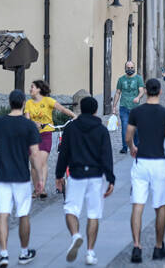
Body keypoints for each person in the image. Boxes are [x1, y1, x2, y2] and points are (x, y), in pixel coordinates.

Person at [55, 97, 115, 265]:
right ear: (96, 110)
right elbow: (107, 156)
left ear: (80, 109)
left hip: (76, 174)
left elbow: (64, 154)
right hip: (96, 176)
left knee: (70, 209)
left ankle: (75, 235)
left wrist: (59, 175)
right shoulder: (101, 130)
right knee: (94, 214)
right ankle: (90, 252)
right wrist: (110, 178)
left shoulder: (71, 128)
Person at [0, 90, 41, 267]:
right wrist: (39, 178)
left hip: (2, 174)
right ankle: (24, 253)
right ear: (24, 103)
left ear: (9, 103)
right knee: (23, 213)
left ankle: (3, 254)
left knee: (2, 213)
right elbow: (34, 154)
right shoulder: (29, 125)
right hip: (22, 176)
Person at [126, 78, 165, 263]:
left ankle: (137, 247)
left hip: (141, 162)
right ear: (160, 92)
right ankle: (158, 246)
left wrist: (132, 147)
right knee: (160, 205)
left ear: (146, 91)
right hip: (158, 162)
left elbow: (128, 136)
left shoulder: (136, 112)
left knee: (137, 205)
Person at [24, 80, 76, 200]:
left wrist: (74, 116)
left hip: (46, 134)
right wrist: (33, 123)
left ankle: (41, 188)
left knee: (41, 161)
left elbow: (62, 109)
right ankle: (36, 188)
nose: (30, 89)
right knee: (33, 163)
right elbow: (27, 120)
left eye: (32, 87)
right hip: (32, 135)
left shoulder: (48, 101)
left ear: (38, 89)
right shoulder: (29, 103)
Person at [113, 61, 145, 154]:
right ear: (125, 68)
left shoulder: (138, 78)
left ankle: (137, 145)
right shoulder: (121, 79)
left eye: (131, 67)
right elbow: (118, 92)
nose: (130, 69)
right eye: (128, 67)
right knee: (124, 127)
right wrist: (114, 106)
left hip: (136, 108)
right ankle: (124, 147)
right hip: (124, 107)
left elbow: (141, 90)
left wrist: (138, 97)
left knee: (136, 128)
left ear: (134, 68)